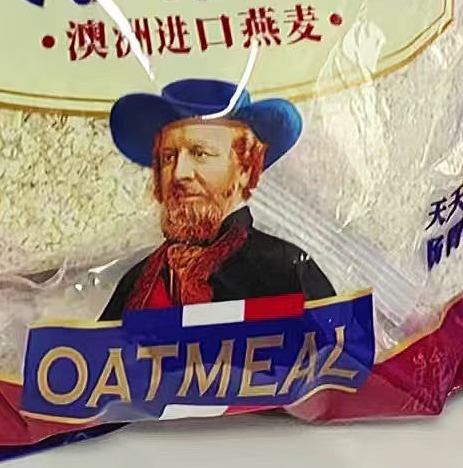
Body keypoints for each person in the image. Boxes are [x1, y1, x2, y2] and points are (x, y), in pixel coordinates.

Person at [100, 79, 335, 319]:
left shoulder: (285, 270)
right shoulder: (136, 283)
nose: (179, 173)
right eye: (168, 157)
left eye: (200, 153)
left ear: (245, 168)